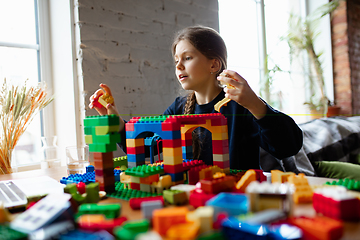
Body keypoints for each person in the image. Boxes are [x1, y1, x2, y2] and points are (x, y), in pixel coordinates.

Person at [89, 25, 303, 170]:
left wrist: (255, 104)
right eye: (176, 61)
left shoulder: (240, 106)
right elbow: (146, 147)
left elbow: (288, 147)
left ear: (214, 64)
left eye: (187, 58)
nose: (179, 66)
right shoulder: (178, 108)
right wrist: (113, 119)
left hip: (234, 203)